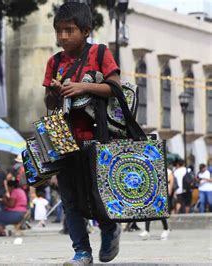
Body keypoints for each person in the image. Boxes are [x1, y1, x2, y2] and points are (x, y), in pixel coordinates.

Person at [42, 2, 122, 264]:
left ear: (86, 30)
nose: (63, 37)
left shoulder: (99, 53)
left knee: (95, 194)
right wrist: (54, 91)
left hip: (97, 138)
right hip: (64, 139)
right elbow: (49, 103)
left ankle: (110, 229)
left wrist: (81, 88)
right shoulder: (54, 62)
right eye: (59, 31)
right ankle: (82, 252)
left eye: (69, 30)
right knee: (69, 199)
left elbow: (115, 87)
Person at [138, 167, 172, 240]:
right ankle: (147, 230)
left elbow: (169, 182)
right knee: (148, 211)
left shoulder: (168, 171)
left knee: (161, 212)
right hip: (153, 193)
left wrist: (169, 192)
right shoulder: (152, 169)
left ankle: (166, 229)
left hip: (162, 194)